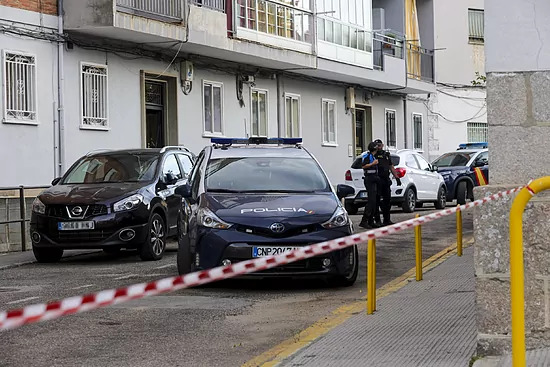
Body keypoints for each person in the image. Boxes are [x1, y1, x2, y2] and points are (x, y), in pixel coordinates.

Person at [373, 139, 402, 226]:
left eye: (380, 145)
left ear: (382, 145)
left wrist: (397, 177)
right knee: (376, 201)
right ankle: (377, 220)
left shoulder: (386, 155)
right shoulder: (373, 155)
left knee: (387, 201)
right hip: (377, 180)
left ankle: (387, 219)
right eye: (377, 145)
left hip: (385, 180)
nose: (378, 146)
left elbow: (391, 166)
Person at [359, 142, 381, 229]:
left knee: (374, 201)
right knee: (371, 201)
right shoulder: (368, 156)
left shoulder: (373, 156)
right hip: (369, 179)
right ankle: (364, 221)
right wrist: (373, 164)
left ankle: (370, 221)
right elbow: (364, 166)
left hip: (374, 179)